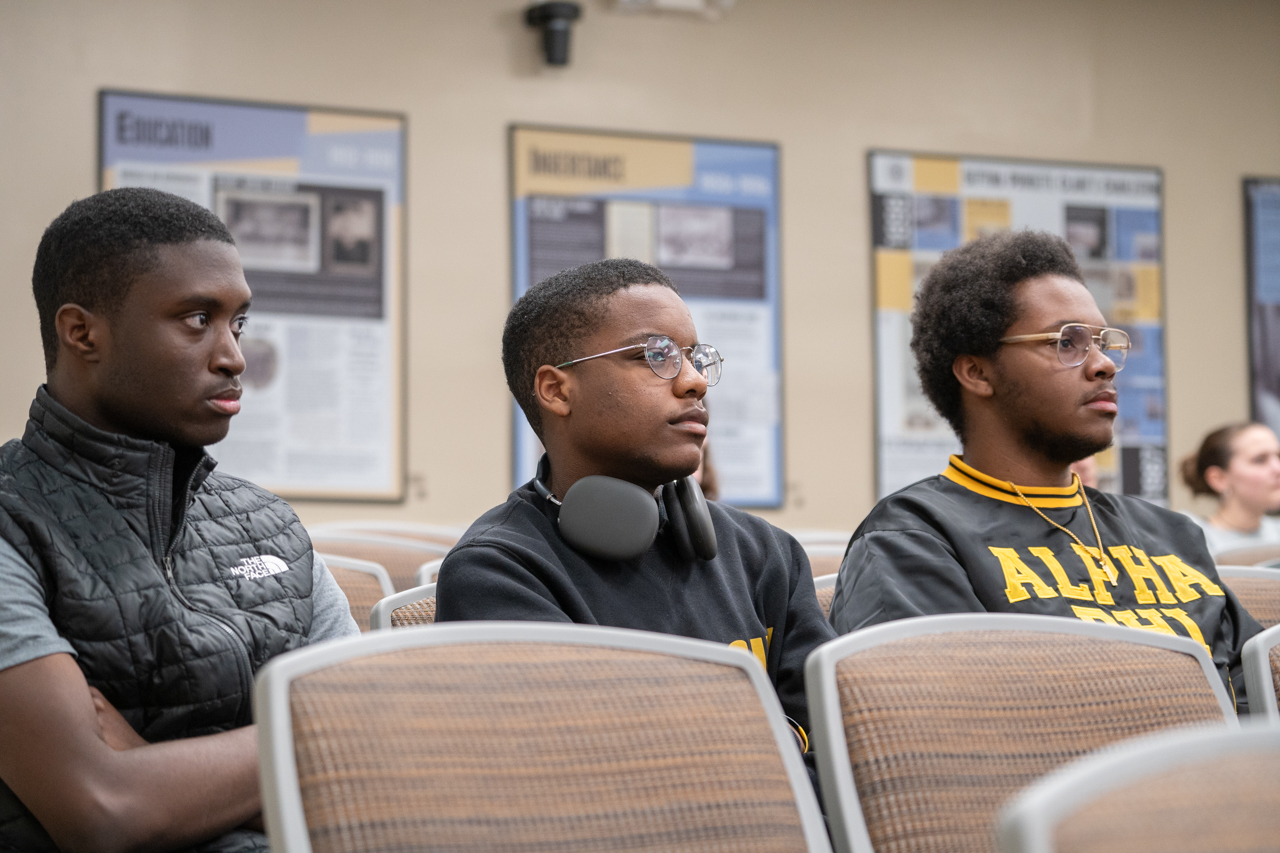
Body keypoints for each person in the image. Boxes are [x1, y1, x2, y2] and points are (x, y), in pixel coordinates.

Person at [0, 188, 359, 853]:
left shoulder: (269, 523)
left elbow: (375, 756)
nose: (234, 356)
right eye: (197, 319)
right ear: (82, 332)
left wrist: (150, 770)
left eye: (238, 322)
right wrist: (310, 746)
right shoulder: (11, 518)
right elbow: (103, 810)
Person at [828, 231, 1262, 712]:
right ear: (977, 373)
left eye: (1103, 342)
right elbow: (950, 739)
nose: (1103, 365)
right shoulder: (913, 538)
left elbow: (1258, 697)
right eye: (1067, 342)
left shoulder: (1171, 533)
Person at [436, 258, 835, 745]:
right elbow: (603, 775)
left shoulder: (765, 554)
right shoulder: (498, 572)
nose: (695, 381)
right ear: (557, 390)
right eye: (657, 355)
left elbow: (839, 752)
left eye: (694, 357)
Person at [1181, 422, 1280, 557]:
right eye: (1259, 460)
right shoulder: (1189, 539)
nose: (1277, 469)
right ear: (1219, 479)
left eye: (1278, 457)